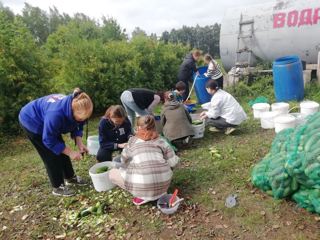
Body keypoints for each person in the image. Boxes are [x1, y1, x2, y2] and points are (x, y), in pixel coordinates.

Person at [19, 88, 93, 196]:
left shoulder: (77, 107)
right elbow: (48, 139)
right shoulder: (56, 114)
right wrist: (71, 153)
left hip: (49, 122)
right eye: (81, 118)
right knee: (51, 155)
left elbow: (78, 124)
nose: (83, 121)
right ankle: (57, 187)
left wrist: (80, 143)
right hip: (32, 120)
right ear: (72, 111)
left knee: (62, 149)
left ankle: (70, 177)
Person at [109, 115, 179, 206]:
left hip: (142, 185)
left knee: (112, 173)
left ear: (138, 128)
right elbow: (173, 162)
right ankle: (159, 188)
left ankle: (142, 195)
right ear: (154, 127)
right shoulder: (162, 141)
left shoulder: (132, 142)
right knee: (167, 162)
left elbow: (123, 160)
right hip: (164, 185)